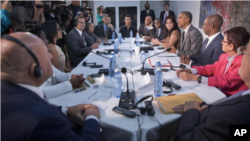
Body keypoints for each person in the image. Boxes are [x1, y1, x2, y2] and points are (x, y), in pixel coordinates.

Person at [0, 32, 100, 141]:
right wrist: (92, 118)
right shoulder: (46, 120)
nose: (51, 56)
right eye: (46, 54)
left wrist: (65, 109)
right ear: (36, 70)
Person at [173, 41, 250, 141]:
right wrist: (203, 107)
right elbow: (212, 68)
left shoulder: (228, 118)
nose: (242, 54)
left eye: (245, 51)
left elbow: (187, 138)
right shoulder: (224, 56)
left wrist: (191, 112)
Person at [176, 27, 250, 97]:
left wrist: (195, 77)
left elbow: (226, 81)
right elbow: (211, 68)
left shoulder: (242, 62)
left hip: (229, 98)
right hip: (216, 91)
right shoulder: (224, 56)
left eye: (223, 41)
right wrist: (191, 70)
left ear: (231, 46)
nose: (221, 43)